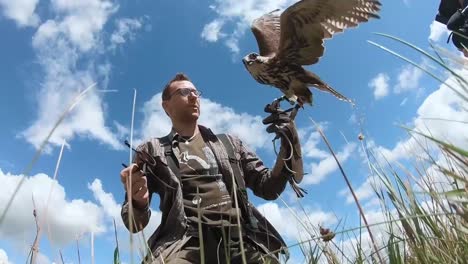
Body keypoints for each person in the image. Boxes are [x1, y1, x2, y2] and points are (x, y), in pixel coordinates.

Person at [120, 73, 304, 263]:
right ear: (166, 106)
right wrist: (138, 203)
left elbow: (268, 188)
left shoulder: (230, 143)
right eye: (183, 92)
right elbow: (134, 224)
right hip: (185, 243)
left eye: (195, 92)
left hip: (241, 239)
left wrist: (287, 143)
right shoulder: (151, 150)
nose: (193, 96)